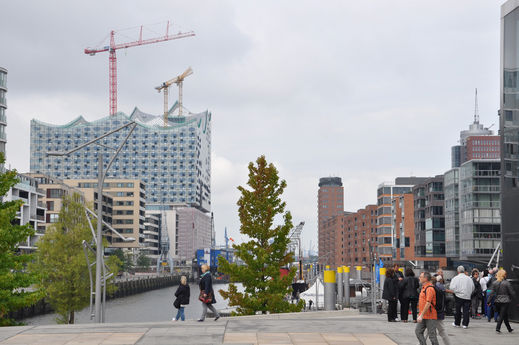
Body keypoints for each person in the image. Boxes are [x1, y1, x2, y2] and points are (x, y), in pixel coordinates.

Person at [415, 271, 439, 345]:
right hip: (423, 315)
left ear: (425, 278)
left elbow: (428, 303)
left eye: (421, 277)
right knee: (418, 331)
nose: (419, 278)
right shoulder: (423, 288)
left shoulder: (430, 289)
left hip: (430, 316)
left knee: (432, 336)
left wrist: (421, 315)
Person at [489, 269, 516, 333]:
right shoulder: (507, 283)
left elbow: (492, 293)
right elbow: (512, 293)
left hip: (497, 301)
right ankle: (497, 328)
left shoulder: (495, 283)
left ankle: (509, 329)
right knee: (502, 315)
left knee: (504, 315)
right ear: (504, 275)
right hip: (505, 301)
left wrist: (488, 301)